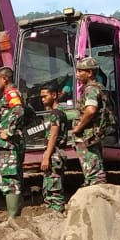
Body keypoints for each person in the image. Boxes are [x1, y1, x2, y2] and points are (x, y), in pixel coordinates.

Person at [69, 56, 108, 187]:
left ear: (90, 73)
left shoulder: (91, 89)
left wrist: (79, 127)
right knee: (92, 170)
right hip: (91, 134)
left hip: (88, 136)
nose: (77, 74)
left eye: (80, 71)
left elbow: (91, 110)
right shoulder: (97, 87)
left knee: (94, 172)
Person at [0, 67, 25, 219]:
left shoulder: (11, 93)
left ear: (4, 79)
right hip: (13, 142)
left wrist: (10, 131)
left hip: (9, 144)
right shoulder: (12, 94)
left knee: (9, 178)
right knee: (14, 176)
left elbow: (19, 111)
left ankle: (13, 218)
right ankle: (16, 215)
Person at [39, 84, 69, 213]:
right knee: (48, 184)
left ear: (54, 95)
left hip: (54, 153)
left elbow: (54, 135)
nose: (42, 99)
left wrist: (46, 156)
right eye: (41, 97)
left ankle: (56, 212)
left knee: (54, 185)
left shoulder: (56, 114)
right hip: (54, 152)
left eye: (45, 96)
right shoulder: (55, 113)